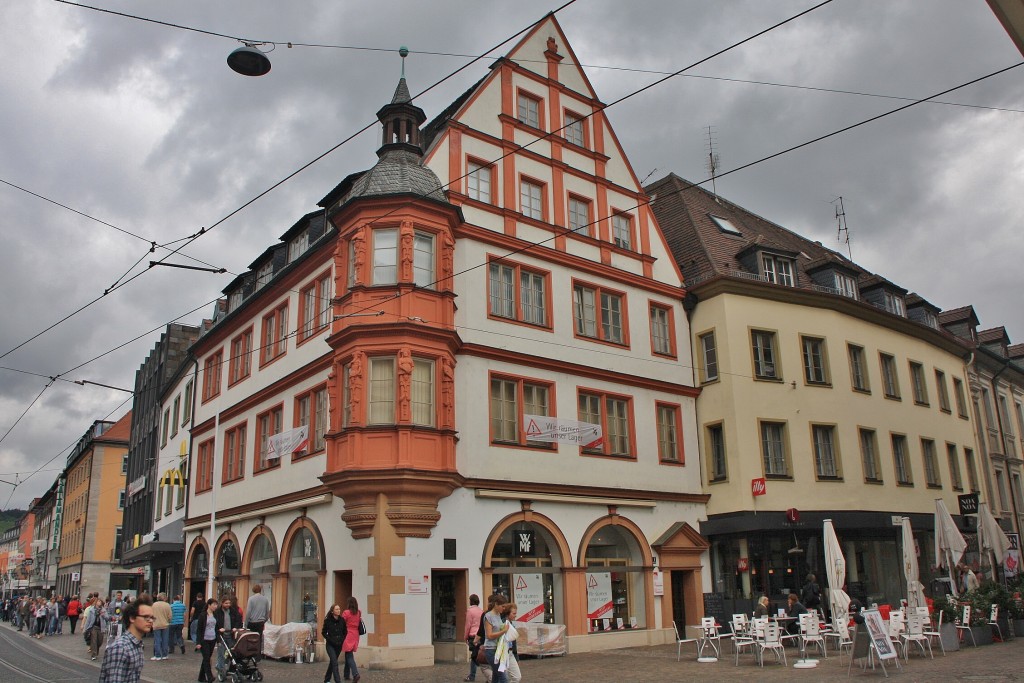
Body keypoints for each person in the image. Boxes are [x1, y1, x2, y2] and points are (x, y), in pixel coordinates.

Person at [99, 596, 154, 683]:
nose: (150, 621)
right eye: (146, 617)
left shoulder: (137, 645)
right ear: (132, 618)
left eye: (152, 617)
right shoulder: (120, 648)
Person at [214, 596, 244, 679]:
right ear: (222, 603)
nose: (228, 605)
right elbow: (214, 623)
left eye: (229, 603)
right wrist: (219, 629)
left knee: (231, 653)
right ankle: (221, 670)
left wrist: (235, 627)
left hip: (230, 635)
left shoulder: (233, 611)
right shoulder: (217, 612)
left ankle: (224, 666)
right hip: (221, 636)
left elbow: (239, 619)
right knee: (221, 653)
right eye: (226, 603)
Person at [483, 594, 509, 683]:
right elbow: (489, 635)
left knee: (496, 676)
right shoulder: (488, 616)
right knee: (503, 676)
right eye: (502, 606)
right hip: (491, 649)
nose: (504, 608)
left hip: (498, 648)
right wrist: (503, 631)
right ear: (496, 604)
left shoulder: (498, 615)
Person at [195, 599, 220, 683]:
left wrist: (218, 637)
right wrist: (198, 642)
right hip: (204, 639)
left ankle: (201, 677)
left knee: (207, 658)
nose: (215, 606)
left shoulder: (215, 615)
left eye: (216, 605)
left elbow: (216, 627)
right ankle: (209, 677)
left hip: (212, 639)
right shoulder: (203, 615)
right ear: (209, 605)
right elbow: (199, 629)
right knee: (206, 659)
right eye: (214, 604)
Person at [245, 584, 270, 661]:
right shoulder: (265, 599)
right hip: (260, 622)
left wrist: (246, 622)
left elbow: (248, 612)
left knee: (251, 639)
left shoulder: (251, 599)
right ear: (260, 590)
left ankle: (251, 655)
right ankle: (258, 656)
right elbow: (267, 611)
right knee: (259, 639)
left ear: (253, 590)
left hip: (252, 622)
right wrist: (264, 620)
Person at [322, 603, 346, 683]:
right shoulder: (328, 621)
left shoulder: (342, 620)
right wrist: (329, 639)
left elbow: (345, 632)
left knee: (333, 662)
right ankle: (337, 681)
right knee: (335, 662)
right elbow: (324, 632)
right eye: (336, 609)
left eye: (339, 609)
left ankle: (327, 679)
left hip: (339, 645)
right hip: (330, 645)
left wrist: (342, 639)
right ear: (332, 611)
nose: (338, 610)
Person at [84, 597, 111, 661]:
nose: (99, 603)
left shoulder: (103, 610)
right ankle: (94, 654)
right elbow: (88, 620)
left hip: (101, 628)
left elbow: (107, 618)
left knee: (99, 641)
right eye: (98, 601)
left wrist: (103, 615)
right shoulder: (92, 610)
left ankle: (96, 651)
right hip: (93, 627)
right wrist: (86, 628)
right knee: (94, 640)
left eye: (100, 602)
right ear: (96, 603)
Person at [342, 596, 362, 683]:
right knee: (348, 653)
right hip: (356, 634)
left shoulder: (346, 613)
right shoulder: (359, 612)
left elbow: (342, 623)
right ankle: (346, 674)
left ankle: (355, 674)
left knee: (349, 655)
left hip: (348, 634)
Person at [464, 594, 483, 681]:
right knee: (478, 655)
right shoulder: (481, 611)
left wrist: (465, 637)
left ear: (471, 601)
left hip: (472, 635)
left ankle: (472, 675)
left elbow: (468, 625)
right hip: (480, 635)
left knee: (474, 657)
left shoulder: (470, 611)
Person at [502, 602, 522, 683]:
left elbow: (514, 642)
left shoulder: (511, 624)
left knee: (517, 677)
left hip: (510, 653)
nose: (515, 615)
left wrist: (516, 656)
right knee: (504, 678)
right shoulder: (503, 623)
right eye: (513, 613)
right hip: (503, 653)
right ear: (508, 613)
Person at [151, 592, 172, 661]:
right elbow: (170, 616)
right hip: (165, 625)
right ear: (164, 598)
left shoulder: (154, 605)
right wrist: (168, 621)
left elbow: (151, 614)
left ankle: (157, 655)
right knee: (165, 640)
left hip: (156, 624)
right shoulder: (167, 605)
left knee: (157, 640)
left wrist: (153, 621)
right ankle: (165, 655)